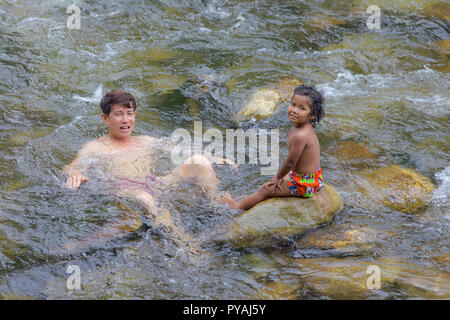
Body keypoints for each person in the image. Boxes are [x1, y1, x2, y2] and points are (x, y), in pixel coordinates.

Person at [63, 89, 232, 252]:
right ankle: (184, 242)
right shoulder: (96, 147)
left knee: (199, 161)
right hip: (126, 191)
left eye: (129, 114)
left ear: (135, 116)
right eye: (118, 114)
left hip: (154, 183)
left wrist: (212, 157)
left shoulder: (145, 141)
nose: (125, 120)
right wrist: (74, 172)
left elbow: (180, 149)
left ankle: (215, 207)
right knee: (144, 197)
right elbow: (71, 166)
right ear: (105, 119)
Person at [220, 85, 325, 210]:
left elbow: (290, 163)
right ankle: (252, 198)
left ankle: (237, 206)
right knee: (272, 183)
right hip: (309, 177)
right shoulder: (299, 127)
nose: (294, 110)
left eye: (302, 108)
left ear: (312, 115)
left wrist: (278, 177)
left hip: (306, 184)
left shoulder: (301, 135)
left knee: (266, 188)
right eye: (293, 104)